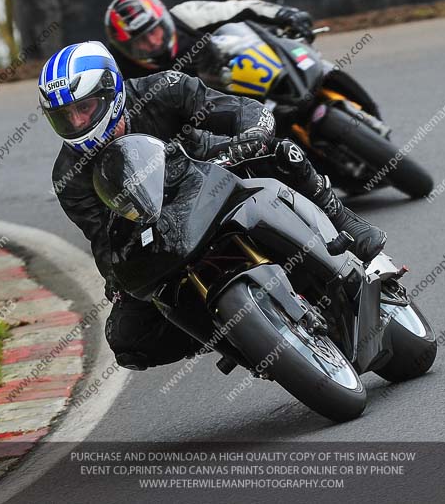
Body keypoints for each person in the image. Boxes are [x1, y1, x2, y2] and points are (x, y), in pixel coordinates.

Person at [42, 41, 385, 370]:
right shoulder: (69, 177)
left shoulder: (163, 88)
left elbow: (242, 111)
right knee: (128, 339)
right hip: (161, 230)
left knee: (282, 154)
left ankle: (344, 221)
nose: (77, 123)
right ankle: (233, 337)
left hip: (215, 171)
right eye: (64, 116)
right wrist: (118, 278)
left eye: (83, 108)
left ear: (110, 91)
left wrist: (251, 135)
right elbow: (104, 241)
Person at [103, 0, 314, 78]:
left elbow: (239, 8)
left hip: (243, 77)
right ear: (125, 48)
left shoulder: (185, 15)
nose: (153, 42)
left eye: (154, 31)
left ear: (164, 20)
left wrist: (284, 14)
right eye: (141, 41)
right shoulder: (120, 72)